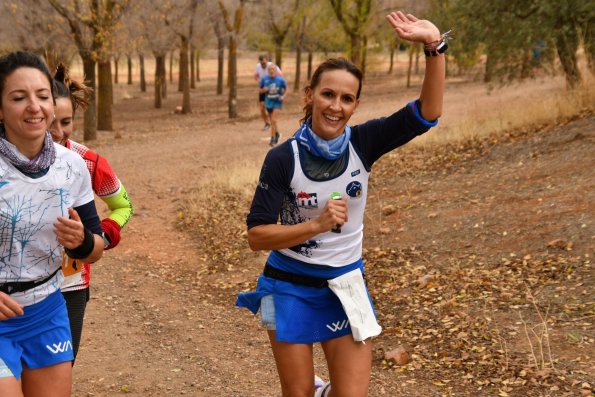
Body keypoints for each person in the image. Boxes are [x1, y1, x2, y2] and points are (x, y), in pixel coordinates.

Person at [237, 11, 446, 396]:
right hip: (287, 286)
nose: (335, 106)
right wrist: (314, 225)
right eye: (328, 94)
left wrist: (434, 46)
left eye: (346, 99)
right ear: (309, 95)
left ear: (355, 106)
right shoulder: (283, 158)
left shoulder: (363, 144)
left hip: (345, 285)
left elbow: (427, 114)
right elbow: (256, 235)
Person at [0, 51, 104, 396]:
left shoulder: (72, 165)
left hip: (46, 310)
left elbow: (96, 247)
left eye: (42, 96)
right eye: (19, 97)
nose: (34, 106)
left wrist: (83, 242)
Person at [49, 64, 134, 361]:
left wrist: (102, 235)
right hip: (17, 290)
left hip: (71, 285)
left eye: (67, 122)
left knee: (61, 367)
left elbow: (124, 206)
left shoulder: (88, 162)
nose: (59, 133)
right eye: (50, 123)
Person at [259, 63, 287, 147]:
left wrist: (283, 96)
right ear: (268, 71)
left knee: (274, 120)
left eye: (273, 69)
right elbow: (260, 91)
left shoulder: (281, 80)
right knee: (272, 121)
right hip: (268, 102)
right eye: (270, 69)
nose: (271, 71)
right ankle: (277, 133)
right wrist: (263, 90)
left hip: (277, 102)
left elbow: (286, 89)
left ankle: (273, 138)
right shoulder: (264, 79)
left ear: (276, 71)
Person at [254, 54, 281, 132]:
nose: (263, 64)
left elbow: (280, 75)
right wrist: (259, 80)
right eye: (261, 63)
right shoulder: (258, 66)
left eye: (264, 63)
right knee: (262, 108)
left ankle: (273, 123)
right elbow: (255, 75)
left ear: (267, 61)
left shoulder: (272, 66)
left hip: (272, 89)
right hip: (263, 89)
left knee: (270, 108)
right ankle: (267, 123)